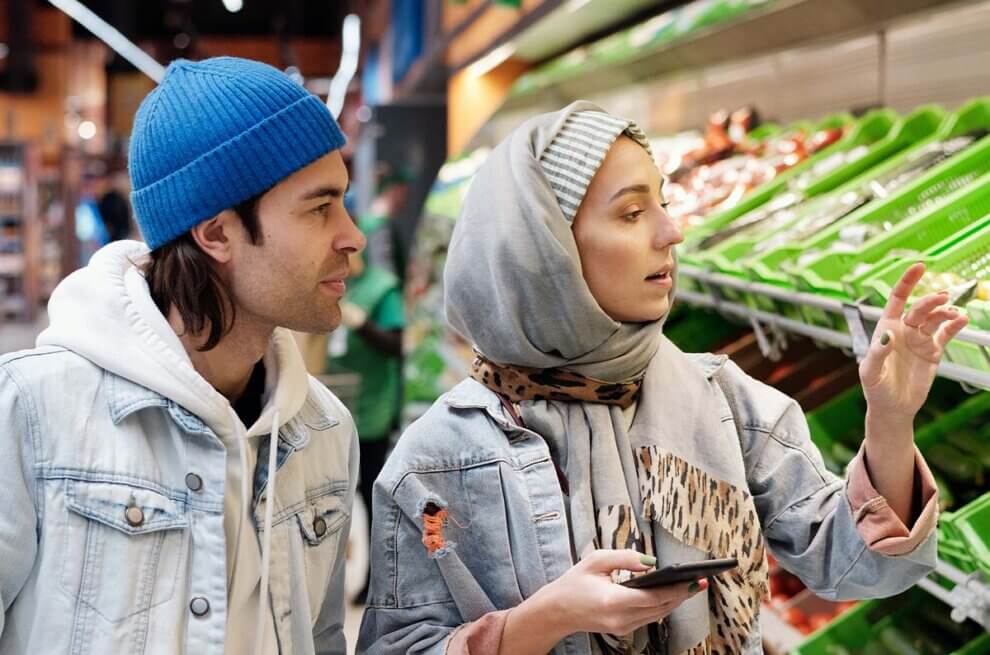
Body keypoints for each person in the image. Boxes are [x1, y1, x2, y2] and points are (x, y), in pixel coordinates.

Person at [357, 101, 965, 654]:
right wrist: (541, 622)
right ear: (545, 248)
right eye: (631, 212)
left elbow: (861, 567)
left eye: (664, 205)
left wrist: (890, 422)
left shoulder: (727, 401)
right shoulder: (437, 460)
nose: (671, 233)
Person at [0, 56, 364, 655]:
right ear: (216, 232)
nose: (353, 234)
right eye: (320, 207)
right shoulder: (33, 413)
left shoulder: (324, 431)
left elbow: (322, 638)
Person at [327, 243, 405, 603]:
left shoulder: (381, 287)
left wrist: (361, 323)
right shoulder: (336, 281)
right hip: (334, 401)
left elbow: (396, 344)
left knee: (372, 495)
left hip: (372, 407)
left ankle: (378, 581)